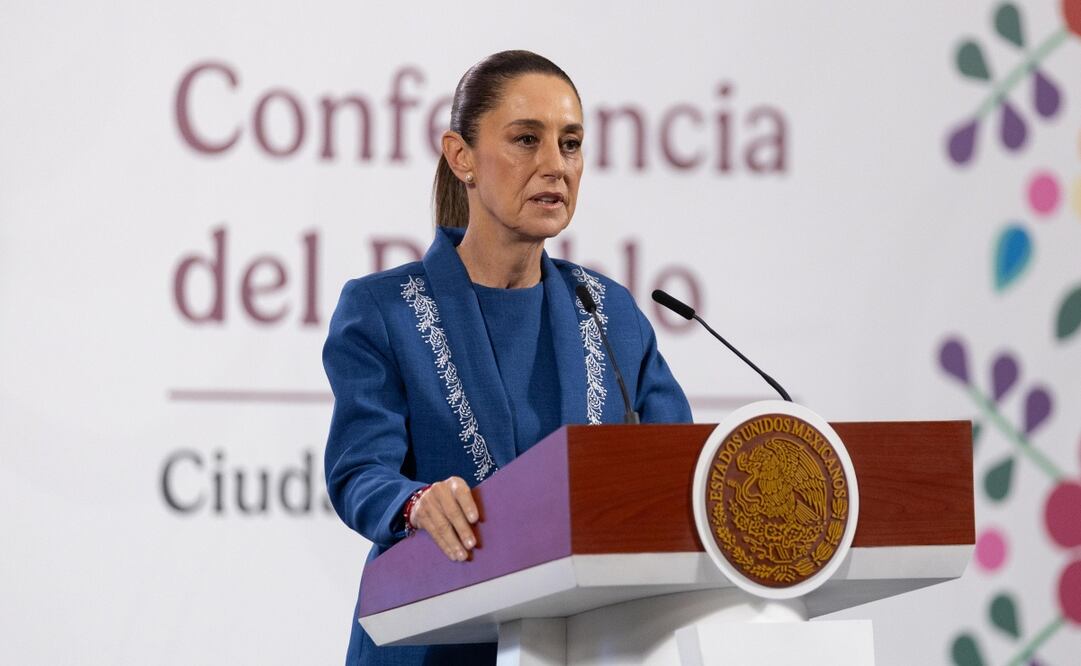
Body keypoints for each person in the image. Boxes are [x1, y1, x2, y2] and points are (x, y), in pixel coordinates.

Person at [323, 49, 692, 666]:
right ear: (461, 156)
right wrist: (416, 503)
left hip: (586, 642)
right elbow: (360, 472)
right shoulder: (380, 311)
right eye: (526, 139)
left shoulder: (609, 311)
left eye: (570, 144)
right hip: (433, 639)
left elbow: (674, 470)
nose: (555, 165)